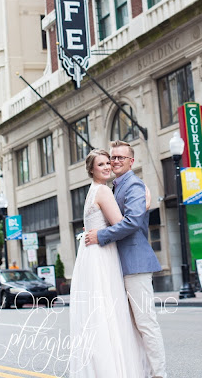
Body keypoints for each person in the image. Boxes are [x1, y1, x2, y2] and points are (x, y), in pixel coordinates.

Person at [85, 140, 166, 378]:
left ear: (131, 161)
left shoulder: (134, 185)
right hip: (119, 264)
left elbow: (131, 223)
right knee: (130, 325)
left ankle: (159, 375)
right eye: (113, 157)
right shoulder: (114, 187)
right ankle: (142, 371)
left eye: (121, 157)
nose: (116, 161)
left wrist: (100, 235)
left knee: (146, 323)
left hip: (137, 263)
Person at [70, 148, 151, 378]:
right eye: (101, 164)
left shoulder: (92, 191)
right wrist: (144, 206)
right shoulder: (104, 191)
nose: (107, 166)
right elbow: (122, 222)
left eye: (108, 162)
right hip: (102, 255)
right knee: (110, 311)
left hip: (92, 254)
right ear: (92, 169)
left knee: (99, 311)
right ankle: (114, 367)